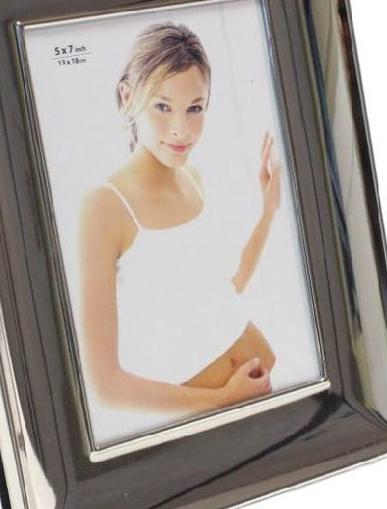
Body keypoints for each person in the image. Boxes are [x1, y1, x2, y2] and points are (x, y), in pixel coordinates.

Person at [78, 22, 281, 418]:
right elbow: (105, 386)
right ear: (128, 96)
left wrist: (268, 214)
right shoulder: (104, 207)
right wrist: (220, 399)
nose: (181, 130)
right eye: (162, 106)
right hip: (215, 417)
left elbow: (224, 290)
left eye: (195, 108)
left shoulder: (194, 179)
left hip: (264, 390)